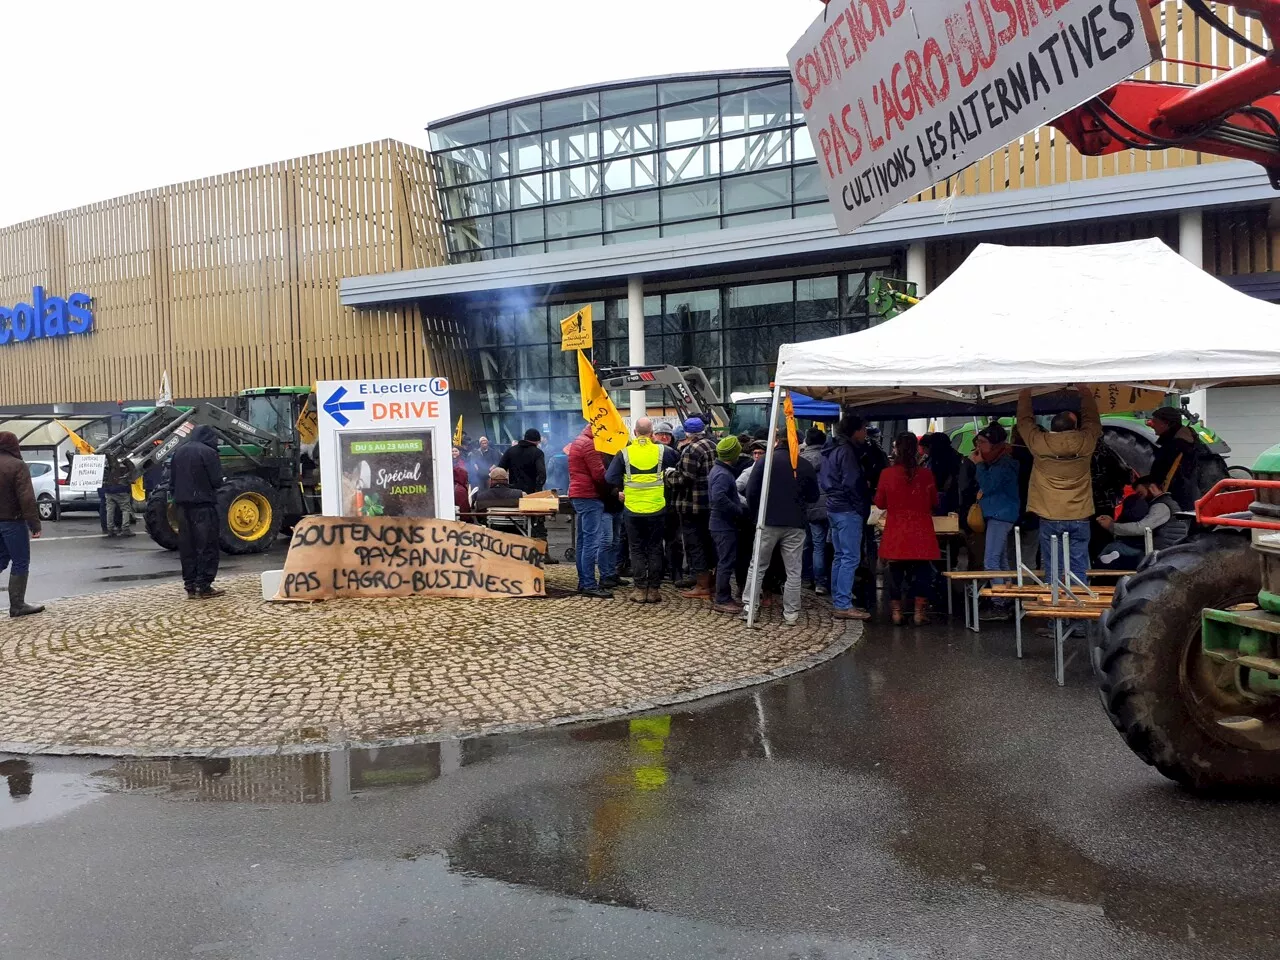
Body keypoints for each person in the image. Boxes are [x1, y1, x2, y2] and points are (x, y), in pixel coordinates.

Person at [1017, 385, 1101, 587]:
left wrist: (1025, 392)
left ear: (1052, 427)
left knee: (1053, 565)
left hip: (1049, 515)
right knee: (1079, 565)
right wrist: (1086, 392)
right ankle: (1079, 613)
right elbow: (1092, 420)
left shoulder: (1039, 443)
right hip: (1080, 515)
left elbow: (1024, 422)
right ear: (1074, 426)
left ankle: (1055, 614)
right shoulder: (1086, 442)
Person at [742, 432, 820, 625]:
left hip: (767, 520)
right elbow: (813, 496)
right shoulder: (804, 464)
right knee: (794, 569)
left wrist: (756, 514)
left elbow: (751, 490)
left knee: (758, 565)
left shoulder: (765, 462)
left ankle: (750, 607)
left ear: (776, 442)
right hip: (796, 522)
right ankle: (791, 613)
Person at [606, 417, 678, 603]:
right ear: (652, 434)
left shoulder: (624, 453)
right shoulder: (664, 451)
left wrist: (620, 490)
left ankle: (639, 590)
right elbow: (677, 469)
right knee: (655, 548)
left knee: (636, 549)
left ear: (635, 433)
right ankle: (653, 590)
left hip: (632, 509)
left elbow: (610, 477)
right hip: (657, 508)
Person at [874, 433, 940, 626]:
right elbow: (934, 501)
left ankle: (896, 612)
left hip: (897, 530)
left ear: (896, 449)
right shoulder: (926, 474)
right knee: (922, 573)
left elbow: (879, 503)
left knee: (894, 573)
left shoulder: (887, 474)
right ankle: (919, 613)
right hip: (921, 530)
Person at [821, 415, 872, 621]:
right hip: (847, 509)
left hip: (834, 506)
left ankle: (839, 598)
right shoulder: (847, 451)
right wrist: (860, 506)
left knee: (840, 556)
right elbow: (852, 482)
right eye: (864, 429)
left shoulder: (831, 449)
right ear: (855, 431)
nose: (866, 433)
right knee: (850, 557)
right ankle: (843, 603)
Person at [971, 422, 1021, 619]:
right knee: (1001, 560)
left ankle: (1000, 602)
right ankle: (1008, 598)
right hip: (1001, 514)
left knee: (991, 560)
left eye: (983, 442)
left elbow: (988, 485)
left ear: (994, 444)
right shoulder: (1000, 462)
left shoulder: (1002, 464)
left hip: (1001, 515)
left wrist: (979, 465)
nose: (978, 447)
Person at [170, 425, 225, 599]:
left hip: (182, 507)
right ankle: (204, 585)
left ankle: (190, 585)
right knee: (206, 545)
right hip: (203, 506)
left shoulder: (179, 452)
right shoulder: (209, 453)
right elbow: (216, 481)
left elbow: (171, 481)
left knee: (188, 547)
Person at [1096, 475, 1190, 568]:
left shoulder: (1161, 506)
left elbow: (1141, 528)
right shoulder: (1168, 504)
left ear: (1152, 488)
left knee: (1113, 548)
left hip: (1160, 552)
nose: (1140, 498)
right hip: (1166, 550)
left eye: (1141, 494)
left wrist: (1112, 526)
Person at [0, 431, 44, 618]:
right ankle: (17, 605)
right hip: (13, 521)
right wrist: (35, 525)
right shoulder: (18, 466)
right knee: (20, 561)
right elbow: (26, 498)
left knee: (1, 559)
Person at [1149, 406, 1226, 510]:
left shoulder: (1173, 447)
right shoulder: (1195, 444)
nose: (1151, 425)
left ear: (1166, 424)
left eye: (1155, 422)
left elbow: (1158, 475)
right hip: (1196, 503)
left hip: (1180, 504)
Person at [674, 417, 718, 599]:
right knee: (709, 543)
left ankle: (702, 586)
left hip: (692, 505)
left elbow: (685, 478)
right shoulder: (713, 445)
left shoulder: (691, 450)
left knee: (695, 544)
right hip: (710, 503)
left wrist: (669, 476)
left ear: (687, 433)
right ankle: (713, 582)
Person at [568, 423, 613, 598]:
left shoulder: (579, 441)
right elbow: (599, 474)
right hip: (589, 495)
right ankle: (588, 583)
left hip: (579, 494)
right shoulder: (590, 445)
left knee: (582, 540)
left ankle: (583, 581)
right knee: (591, 541)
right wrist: (612, 488)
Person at [709, 435, 747, 614]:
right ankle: (722, 598)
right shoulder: (724, 474)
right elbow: (718, 498)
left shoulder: (719, 470)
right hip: (724, 525)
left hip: (720, 524)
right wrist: (738, 510)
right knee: (726, 562)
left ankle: (724, 596)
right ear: (734, 454)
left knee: (724, 561)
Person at [652, 419, 686, 585]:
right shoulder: (673, 453)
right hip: (660, 502)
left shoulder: (674, 453)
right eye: (660, 434)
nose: (664, 437)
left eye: (667, 434)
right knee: (663, 541)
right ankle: (669, 572)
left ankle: (672, 572)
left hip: (669, 503)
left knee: (671, 541)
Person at [799, 428, 830, 594]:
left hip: (808, 507)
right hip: (829, 506)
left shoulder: (801, 460)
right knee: (823, 545)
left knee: (808, 544)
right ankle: (821, 582)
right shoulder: (828, 457)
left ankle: (806, 578)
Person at [472, 466, 524, 533]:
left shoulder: (481, 497)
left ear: (490, 481)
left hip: (492, 533)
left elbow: (479, 518)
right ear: (507, 480)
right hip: (517, 531)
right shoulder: (520, 494)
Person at [921, 433, 963, 516]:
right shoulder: (952, 455)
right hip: (946, 497)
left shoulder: (943, 458)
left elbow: (943, 478)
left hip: (945, 497)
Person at [499, 429, 547, 495]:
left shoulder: (510, 451)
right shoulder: (538, 453)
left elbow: (500, 470)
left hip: (513, 492)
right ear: (537, 441)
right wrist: (538, 490)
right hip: (531, 493)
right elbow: (542, 474)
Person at [101, 464, 136, 538]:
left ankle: (110, 529)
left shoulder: (108, 462)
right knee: (126, 509)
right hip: (122, 489)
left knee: (110, 510)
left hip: (109, 490)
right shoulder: (125, 462)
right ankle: (125, 529)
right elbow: (133, 469)